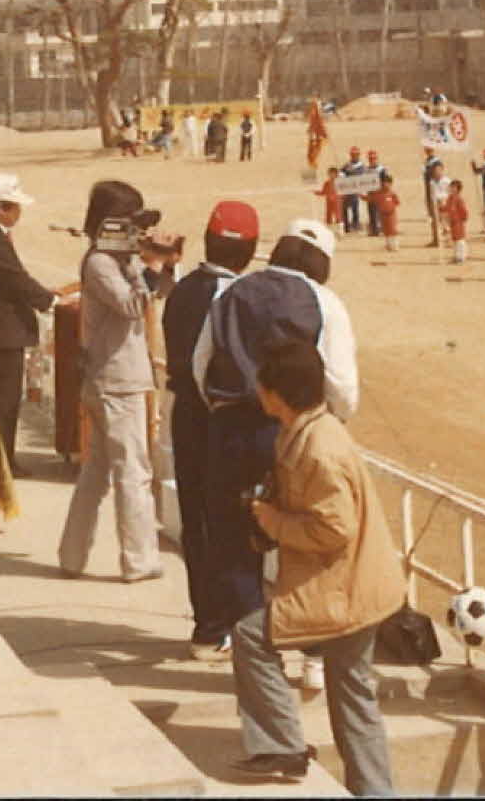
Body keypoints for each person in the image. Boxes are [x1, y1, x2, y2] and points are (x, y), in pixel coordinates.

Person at [230, 341, 399, 794]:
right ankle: (375, 790)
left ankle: (282, 746)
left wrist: (274, 521)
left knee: (251, 635)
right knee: (353, 695)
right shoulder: (309, 430)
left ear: (277, 395)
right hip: (359, 584)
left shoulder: (319, 448)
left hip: (343, 587)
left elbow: (334, 529)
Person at [192, 219, 359, 649]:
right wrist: (330, 425)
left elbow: (202, 362)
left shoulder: (232, 293)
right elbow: (341, 383)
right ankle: (311, 654)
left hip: (231, 430)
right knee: (307, 544)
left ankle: (251, 653)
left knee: (234, 544)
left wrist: (223, 410)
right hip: (295, 433)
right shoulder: (324, 301)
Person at [58, 180, 176, 583]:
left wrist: (162, 262)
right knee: (133, 472)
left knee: (97, 472)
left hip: (115, 376)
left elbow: (158, 292)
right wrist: (153, 265)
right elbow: (131, 306)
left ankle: (72, 556)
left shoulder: (118, 259)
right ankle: (139, 560)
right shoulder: (100, 263)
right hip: (115, 380)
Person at [162, 199, 261, 659]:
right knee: (231, 523)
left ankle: (207, 625)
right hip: (220, 419)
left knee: (196, 520)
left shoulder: (182, 289)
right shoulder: (237, 297)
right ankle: (229, 625)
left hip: (184, 414)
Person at [0, 173, 70, 472]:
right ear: (1, 208)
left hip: (1, 329)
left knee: (1, 397)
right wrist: (49, 301)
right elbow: (14, 278)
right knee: (1, 400)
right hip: (1, 330)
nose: (19, 214)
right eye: (15, 207)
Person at [442, 179, 468, 264]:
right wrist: (441, 209)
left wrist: (464, 219)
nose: (452, 189)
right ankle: (456, 256)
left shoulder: (459, 199)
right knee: (455, 239)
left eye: (454, 187)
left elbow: (464, 210)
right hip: (452, 221)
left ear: (458, 189)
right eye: (451, 187)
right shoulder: (450, 198)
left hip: (458, 221)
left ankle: (462, 256)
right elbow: (446, 207)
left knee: (460, 239)